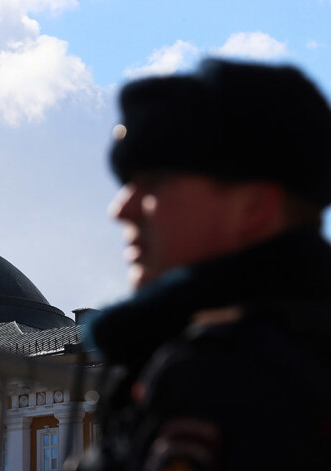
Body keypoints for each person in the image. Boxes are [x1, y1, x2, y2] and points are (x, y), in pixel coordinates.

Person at [80, 58, 331, 470]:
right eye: (128, 185)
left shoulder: (219, 378)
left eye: (154, 183)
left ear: (253, 207)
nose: (121, 209)